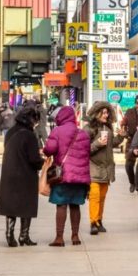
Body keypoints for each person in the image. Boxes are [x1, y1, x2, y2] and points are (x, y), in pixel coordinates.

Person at [0, 104, 45, 247]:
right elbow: (34, 159)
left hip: (9, 172)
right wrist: (43, 162)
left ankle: (10, 233)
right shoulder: (29, 135)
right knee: (26, 205)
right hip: (25, 175)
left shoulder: (11, 132)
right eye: (35, 120)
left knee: (11, 204)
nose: (36, 124)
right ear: (30, 119)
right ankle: (24, 236)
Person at [42, 106, 92, 247]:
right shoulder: (82, 133)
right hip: (80, 176)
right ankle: (75, 236)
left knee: (62, 205)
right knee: (75, 205)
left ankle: (59, 238)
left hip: (63, 175)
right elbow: (88, 153)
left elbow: (50, 150)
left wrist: (45, 150)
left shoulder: (57, 131)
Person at [84, 101, 125, 235]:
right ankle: (93, 222)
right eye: (103, 112)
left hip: (107, 170)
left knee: (102, 197)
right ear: (96, 113)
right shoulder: (88, 129)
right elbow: (83, 150)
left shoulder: (107, 129)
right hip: (93, 168)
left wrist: (121, 136)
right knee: (94, 197)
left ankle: (99, 220)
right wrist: (97, 143)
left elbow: (112, 144)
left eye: (107, 112)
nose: (106, 115)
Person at [121, 94, 138, 193]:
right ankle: (132, 182)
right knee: (128, 164)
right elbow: (123, 122)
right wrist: (123, 129)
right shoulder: (129, 112)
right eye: (137, 103)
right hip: (131, 140)